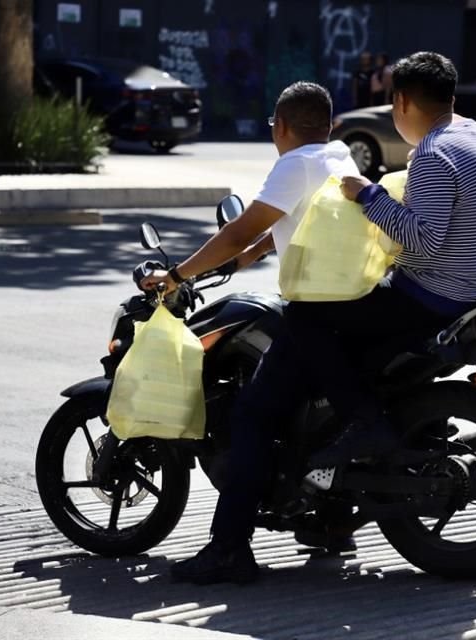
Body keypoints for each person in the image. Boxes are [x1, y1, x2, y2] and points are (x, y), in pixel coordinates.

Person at [140, 81, 361, 584]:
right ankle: (329, 521)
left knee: (252, 415)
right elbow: (305, 220)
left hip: (315, 310)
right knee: (310, 416)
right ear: (328, 123)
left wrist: (177, 276)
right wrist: (257, 252)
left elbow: (239, 227)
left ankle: (229, 550)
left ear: (281, 127)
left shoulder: (294, 162)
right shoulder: (338, 155)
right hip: (349, 304)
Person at [284, 51, 476, 469]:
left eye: (393, 103)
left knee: (305, 316)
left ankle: (364, 423)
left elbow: (422, 240)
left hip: (434, 296)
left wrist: (367, 194)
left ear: (403, 102)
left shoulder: (433, 151)